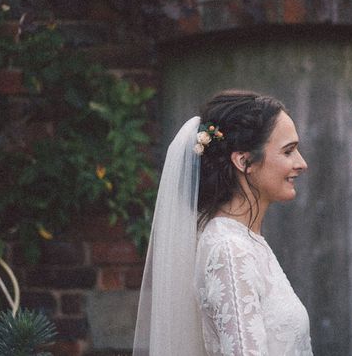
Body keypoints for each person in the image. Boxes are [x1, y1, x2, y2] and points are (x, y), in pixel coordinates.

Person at [133, 90, 314, 356]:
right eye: (288, 151)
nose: (302, 163)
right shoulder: (230, 251)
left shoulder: (246, 241)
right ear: (244, 161)